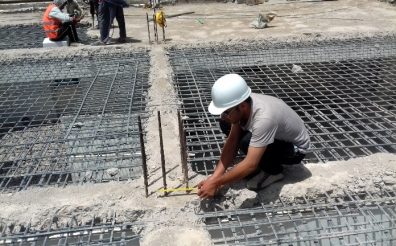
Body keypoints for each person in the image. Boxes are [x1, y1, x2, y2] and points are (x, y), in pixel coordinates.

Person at [197, 74, 310, 199]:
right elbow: (232, 142)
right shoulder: (243, 104)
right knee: (225, 124)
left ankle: (273, 172)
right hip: (274, 135)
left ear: (242, 106)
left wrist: (217, 183)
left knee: (246, 142)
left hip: (293, 150)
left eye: (226, 112)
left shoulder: (264, 118)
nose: (223, 115)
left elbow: (250, 164)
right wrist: (215, 177)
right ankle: (258, 157)